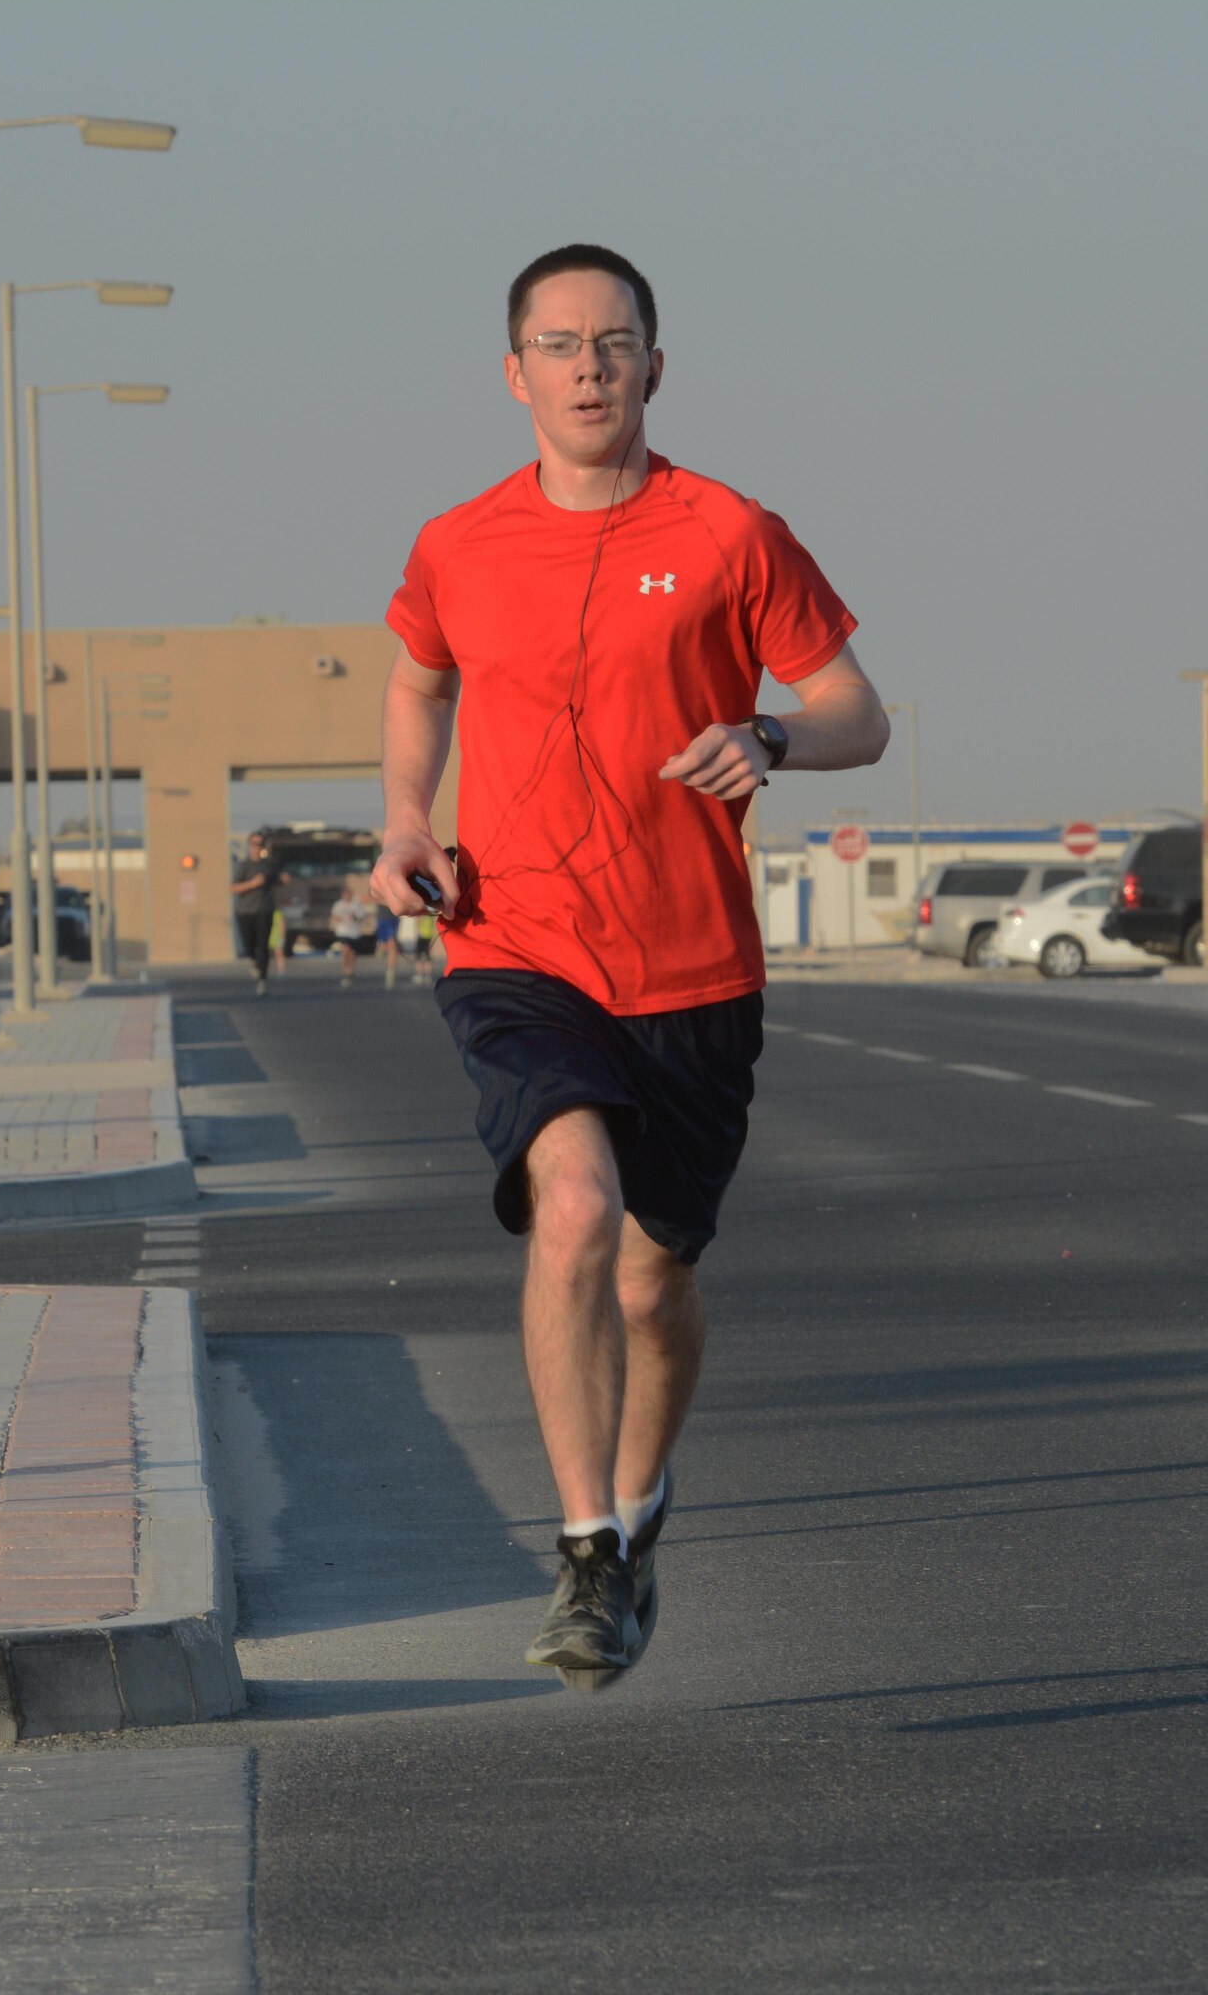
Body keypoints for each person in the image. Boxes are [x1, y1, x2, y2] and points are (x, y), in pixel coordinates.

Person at [371, 243, 889, 1687]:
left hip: (692, 970)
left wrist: (774, 735)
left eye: (615, 342)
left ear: (657, 365)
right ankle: (587, 1548)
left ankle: (642, 1507)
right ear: (514, 371)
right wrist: (410, 816)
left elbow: (856, 707)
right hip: (514, 941)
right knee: (574, 1207)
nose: (588, 366)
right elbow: (420, 677)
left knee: (654, 1288)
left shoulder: (730, 531)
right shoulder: (456, 544)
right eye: (559, 343)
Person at [230, 832, 287, 994]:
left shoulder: (268, 865)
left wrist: (284, 879)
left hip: (265, 909)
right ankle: (254, 961)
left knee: (263, 945)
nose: (257, 848)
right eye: (254, 844)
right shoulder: (243, 866)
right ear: (249, 846)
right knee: (250, 946)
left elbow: (280, 879)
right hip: (245, 911)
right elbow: (233, 888)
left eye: (260, 844)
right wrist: (252, 883)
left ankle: (262, 979)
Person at [328, 878, 371, 986]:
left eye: (348, 894)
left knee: (352, 953)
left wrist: (355, 917)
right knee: (345, 950)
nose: (347, 896)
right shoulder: (338, 905)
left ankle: (351, 971)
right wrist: (337, 920)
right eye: (345, 894)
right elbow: (334, 917)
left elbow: (361, 918)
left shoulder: (356, 904)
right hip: (343, 931)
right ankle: (344, 971)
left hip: (354, 932)